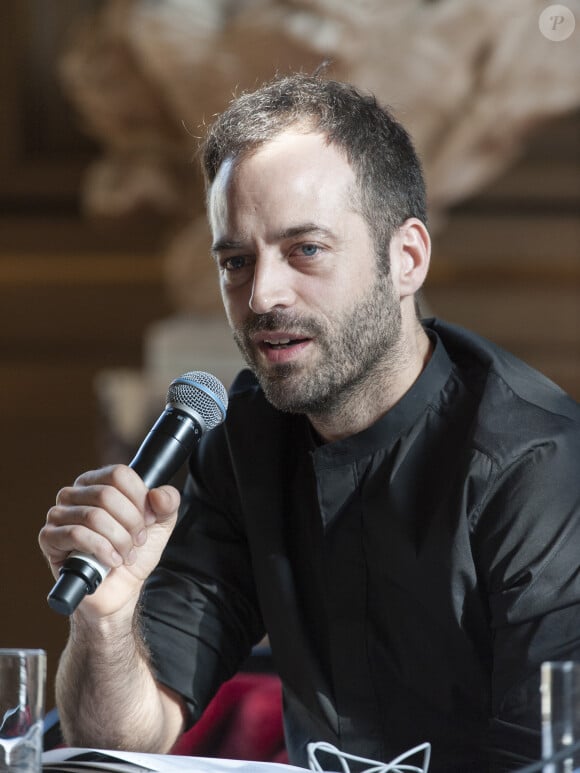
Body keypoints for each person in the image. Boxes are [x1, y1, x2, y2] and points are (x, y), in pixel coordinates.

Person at [38, 72, 580, 773]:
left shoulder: (536, 464)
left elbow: (556, 758)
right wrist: (106, 619)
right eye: (236, 260)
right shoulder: (241, 442)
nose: (262, 294)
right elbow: (121, 740)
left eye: (306, 250)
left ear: (406, 257)